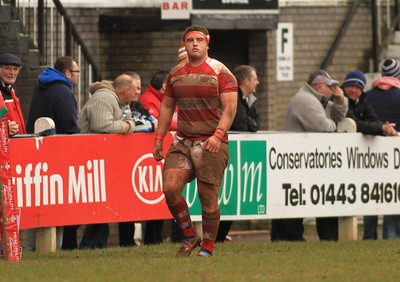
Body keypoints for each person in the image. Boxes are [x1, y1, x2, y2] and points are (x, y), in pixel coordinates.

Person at [152, 25, 238, 257]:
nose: (195, 44)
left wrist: (218, 136)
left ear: (207, 43)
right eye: (190, 40)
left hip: (211, 142)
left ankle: (207, 248)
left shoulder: (221, 72)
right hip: (182, 141)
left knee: (207, 197)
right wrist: (159, 138)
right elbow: (167, 106)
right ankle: (190, 235)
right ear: (184, 44)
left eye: (199, 39)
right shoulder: (176, 74)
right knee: (170, 188)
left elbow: (230, 109)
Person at [272, 69, 348, 242]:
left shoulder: (317, 99)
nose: (332, 89)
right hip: (294, 160)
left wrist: (340, 101)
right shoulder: (306, 100)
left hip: (303, 161)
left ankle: (290, 237)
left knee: (296, 199)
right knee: (292, 200)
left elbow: (337, 116)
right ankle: (290, 238)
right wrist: (336, 126)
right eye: (330, 86)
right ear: (320, 87)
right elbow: (324, 126)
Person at [26, 56, 81, 250]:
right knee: (57, 203)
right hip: (58, 156)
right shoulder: (63, 91)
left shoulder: (41, 86)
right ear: (67, 73)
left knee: (38, 203)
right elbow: (69, 125)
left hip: (38, 153)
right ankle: (53, 248)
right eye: (77, 72)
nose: (78, 76)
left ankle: (32, 247)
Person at [77, 74, 137, 249]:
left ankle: (96, 245)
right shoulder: (104, 98)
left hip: (102, 160)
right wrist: (126, 127)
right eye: (133, 92)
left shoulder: (120, 101)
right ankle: (88, 245)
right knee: (97, 206)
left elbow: (130, 120)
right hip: (89, 160)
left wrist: (128, 125)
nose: (135, 96)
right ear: (125, 90)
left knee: (104, 205)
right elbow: (102, 126)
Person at [216, 65, 260, 243]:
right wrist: (249, 123)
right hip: (225, 152)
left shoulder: (249, 99)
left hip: (237, 155)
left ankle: (219, 236)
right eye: (255, 78)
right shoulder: (232, 97)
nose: (258, 82)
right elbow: (241, 124)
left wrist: (249, 123)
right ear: (246, 81)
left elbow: (256, 124)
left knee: (233, 196)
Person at [118, 71, 155, 247]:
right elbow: (132, 126)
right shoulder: (120, 105)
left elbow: (153, 120)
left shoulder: (137, 105)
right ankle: (125, 241)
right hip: (121, 160)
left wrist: (147, 125)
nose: (138, 92)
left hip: (137, 159)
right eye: (136, 88)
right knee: (124, 203)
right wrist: (146, 126)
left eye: (140, 88)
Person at [365, 58, 400, 239]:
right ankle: (391, 235)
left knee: (371, 196)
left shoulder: (368, 96)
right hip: (395, 156)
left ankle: (369, 236)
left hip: (370, 155)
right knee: (393, 194)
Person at [0, 53, 26, 136]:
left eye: (15, 69)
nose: (12, 73)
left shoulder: (10, 91)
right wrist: (5, 128)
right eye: (8, 68)